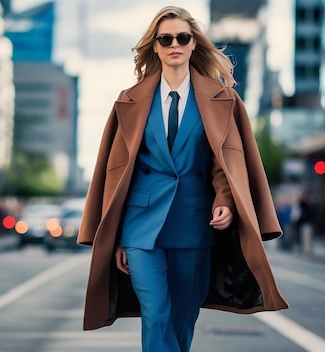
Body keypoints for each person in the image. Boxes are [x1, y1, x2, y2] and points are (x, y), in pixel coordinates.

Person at [76, 6, 289, 352]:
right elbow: (117, 174)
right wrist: (117, 236)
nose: (174, 43)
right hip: (141, 229)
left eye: (183, 37)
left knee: (182, 320)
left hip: (194, 223)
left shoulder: (223, 100)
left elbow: (226, 163)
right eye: (166, 38)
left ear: (193, 45)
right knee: (156, 315)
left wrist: (224, 201)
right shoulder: (129, 101)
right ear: (155, 47)